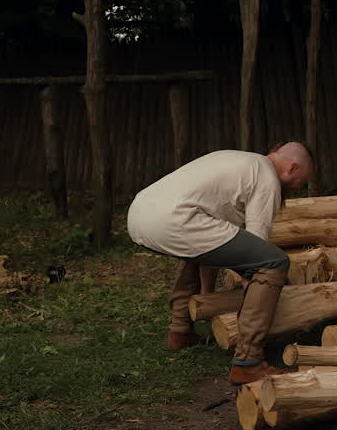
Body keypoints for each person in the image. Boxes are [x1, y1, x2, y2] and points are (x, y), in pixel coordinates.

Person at [127, 142, 312, 385]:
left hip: (140, 215)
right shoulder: (266, 178)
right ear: (292, 167)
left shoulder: (236, 160)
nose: (298, 188)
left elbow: (215, 244)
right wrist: (258, 295)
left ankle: (180, 331)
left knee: (208, 243)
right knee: (274, 261)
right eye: (301, 181)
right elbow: (258, 253)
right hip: (174, 220)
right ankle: (249, 361)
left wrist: (208, 294)